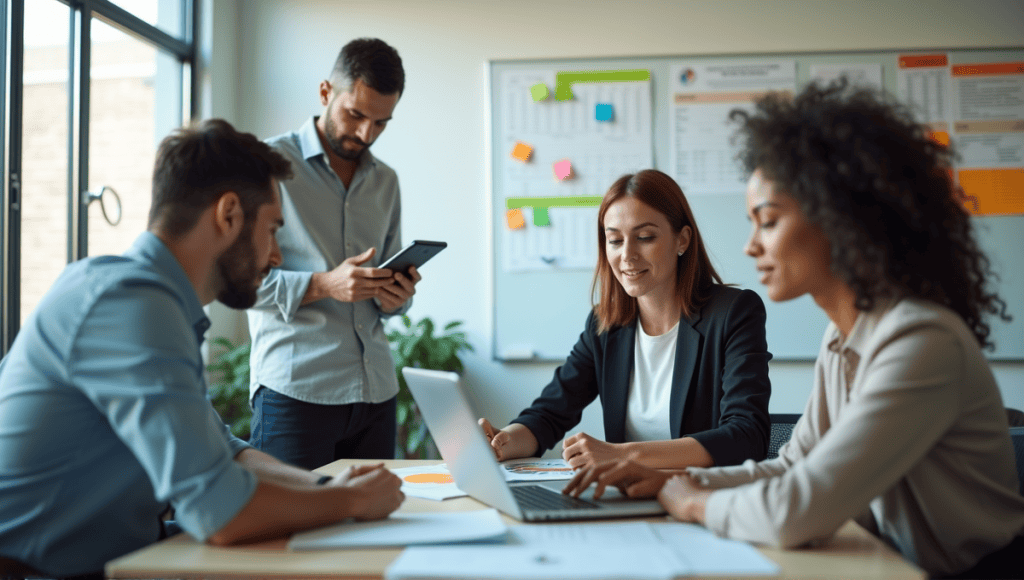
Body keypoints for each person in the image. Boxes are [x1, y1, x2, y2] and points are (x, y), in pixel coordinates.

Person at [562, 82, 1024, 579]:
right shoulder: (844, 336)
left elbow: (796, 508)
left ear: (840, 220)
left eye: (769, 221)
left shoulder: (921, 341)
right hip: (881, 561)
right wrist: (670, 478)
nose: (750, 246)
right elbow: (791, 467)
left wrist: (690, 501)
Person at [0, 120, 404, 579]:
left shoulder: (151, 301)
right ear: (228, 214)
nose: (275, 256)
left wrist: (326, 484)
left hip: (114, 554)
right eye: (272, 230)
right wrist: (348, 501)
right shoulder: (130, 304)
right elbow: (219, 511)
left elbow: (226, 450)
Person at [480, 169, 772, 471]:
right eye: (615, 241)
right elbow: (549, 414)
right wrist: (504, 442)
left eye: (644, 237)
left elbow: (746, 435)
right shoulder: (604, 325)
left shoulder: (734, 313)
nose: (627, 255)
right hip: (629, 501)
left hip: (702, 500)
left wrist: (622, 454)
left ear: (682, 240)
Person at [247, 38, 417, 470]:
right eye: (355, 115)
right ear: (326, 93)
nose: (365, 133)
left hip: (375, 392)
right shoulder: (265, 165)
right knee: (290, 533)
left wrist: (396, 297)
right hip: (295, 393)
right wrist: (325, 284)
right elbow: (239, 283)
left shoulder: (387, 182)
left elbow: (390, 279)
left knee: (372, 531)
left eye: (381, 123)